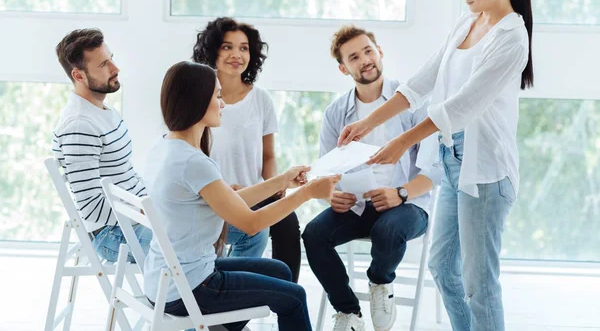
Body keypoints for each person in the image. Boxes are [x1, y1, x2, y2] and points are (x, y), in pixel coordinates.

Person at [338, 0, 533, 331]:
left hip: (485, 171)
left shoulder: (512, 38)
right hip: (452, 159)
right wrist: (369, 122)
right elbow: (421, 83)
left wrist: (400, 143)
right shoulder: (468, 22)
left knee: (479, 284)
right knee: (444, 267)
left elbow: (461, 106)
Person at [143, 61, 340, 331]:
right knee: (294, 297)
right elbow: (251, 223)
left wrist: (282, 181)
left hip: (166, 280)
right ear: (197, 100)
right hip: (189, 288)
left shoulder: (165, 147)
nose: (222, 103)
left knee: (281, 271)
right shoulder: (193, 162)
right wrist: (307, 193)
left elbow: (232, 203)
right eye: (217, 95)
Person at [302, 26, 442, 331]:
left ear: (380, 51)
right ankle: (349, 312)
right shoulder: (336, 113)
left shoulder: (412, 102)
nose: (365, 60)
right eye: (354, 56)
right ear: (343, 68)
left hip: (408, 206)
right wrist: (330, 196)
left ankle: (380, 282)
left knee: (388, 229)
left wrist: (400, 193)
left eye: (368, 50)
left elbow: (435, 171)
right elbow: (327, 171)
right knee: (313, 234)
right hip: (358, 206)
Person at [192, 17, 302, 282]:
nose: (236, 55)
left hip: (253, 193)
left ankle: (287, 293)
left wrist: (276, 186)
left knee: (288, 220)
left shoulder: (261, 98)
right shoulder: (197, 99)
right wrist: (224, 189)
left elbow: (268, 155)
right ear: (212, 51)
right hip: (214, 195)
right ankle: (229, 294)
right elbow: (191, 155)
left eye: (243, 48)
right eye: (227, 47)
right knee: (253, 231)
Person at [52, 28, 151, 262]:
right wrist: (146, 213)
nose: (115, 69)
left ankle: (206, 290)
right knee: (197, 236)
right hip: (113, 235)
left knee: (217, 225)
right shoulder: (79, 125)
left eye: (111, 59)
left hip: (135, 219)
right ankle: (196, 295)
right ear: (79, 76)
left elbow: (124, 174)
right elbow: (91, 207)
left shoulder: (102, 110)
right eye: (103, 64)